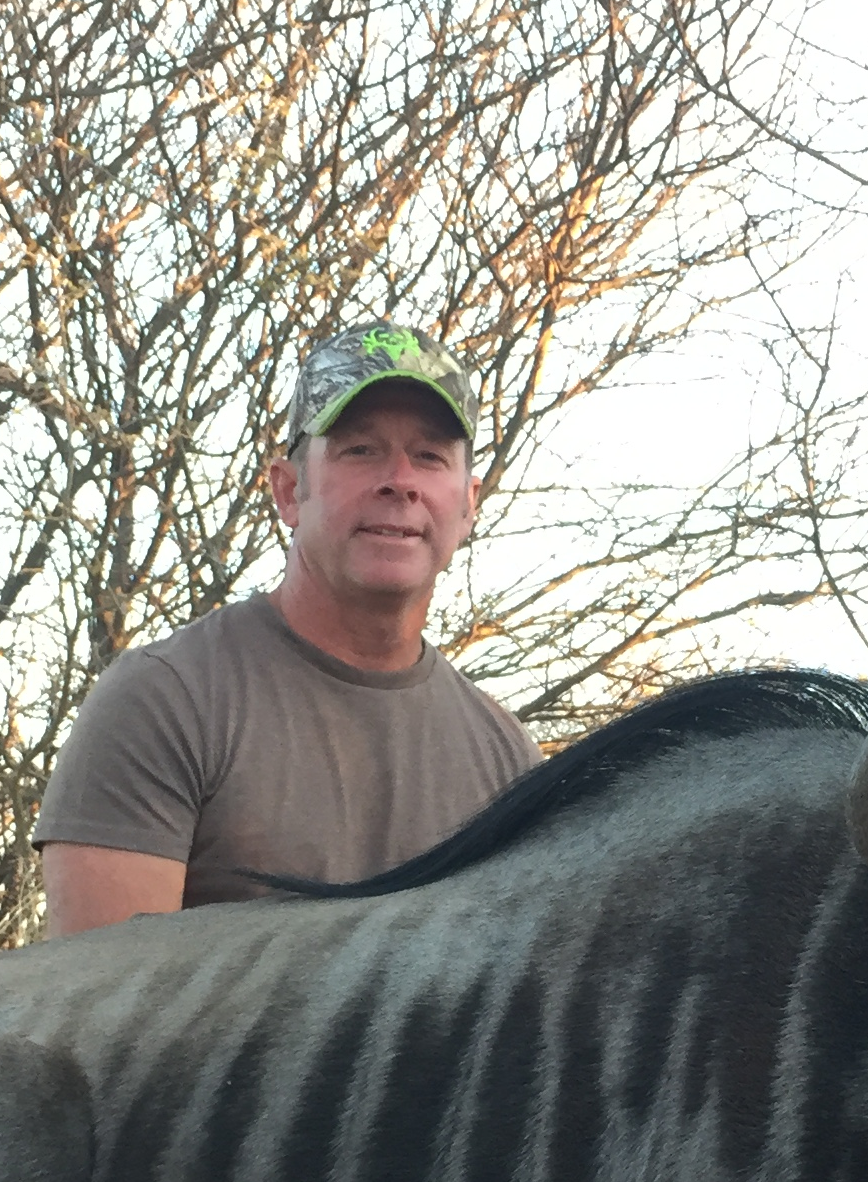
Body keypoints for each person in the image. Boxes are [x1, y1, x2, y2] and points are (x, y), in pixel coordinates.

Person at [36, 320, 536, 935]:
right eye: (360, 449)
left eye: (430, 456)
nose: (400, 481)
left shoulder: (508, 761)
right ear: (289, 491)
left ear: (467, 506)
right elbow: (96, 1012)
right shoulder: (163, 701)